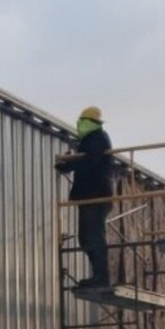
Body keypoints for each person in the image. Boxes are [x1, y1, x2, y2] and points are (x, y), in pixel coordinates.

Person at [56, 105, 114, 288]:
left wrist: (69, 164)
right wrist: (69, 163)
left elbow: (90, 161)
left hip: (97, 196)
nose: (79, 125)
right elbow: (86, 160)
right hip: (90, 195)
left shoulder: (98, 138)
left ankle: (101, 277)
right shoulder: (91, 139)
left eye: (82, 121)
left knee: (94, 236)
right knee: (86, 237)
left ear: (89, 122)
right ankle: (97, 276)